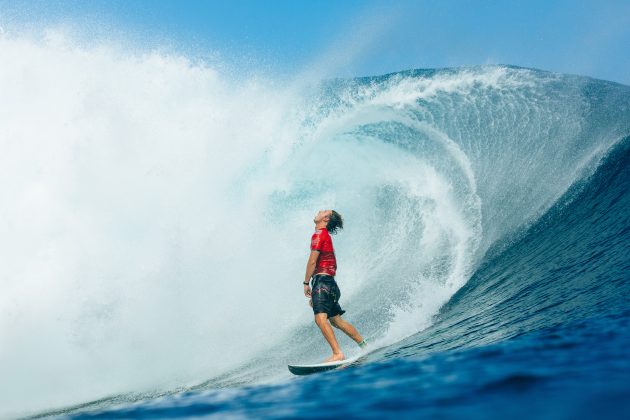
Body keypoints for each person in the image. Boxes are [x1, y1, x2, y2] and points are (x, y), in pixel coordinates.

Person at [303, 209, 367, 362]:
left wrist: (307, 283)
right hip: (330, 283)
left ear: (325, 218)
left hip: (322, 283)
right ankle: (364, 345)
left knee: (320, 319)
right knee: (337, 321)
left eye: (322, 211)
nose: (319, 212)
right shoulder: (326, 237)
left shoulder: (318, 235)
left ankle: (338, 353)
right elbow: (332, 264)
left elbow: (312, 262)